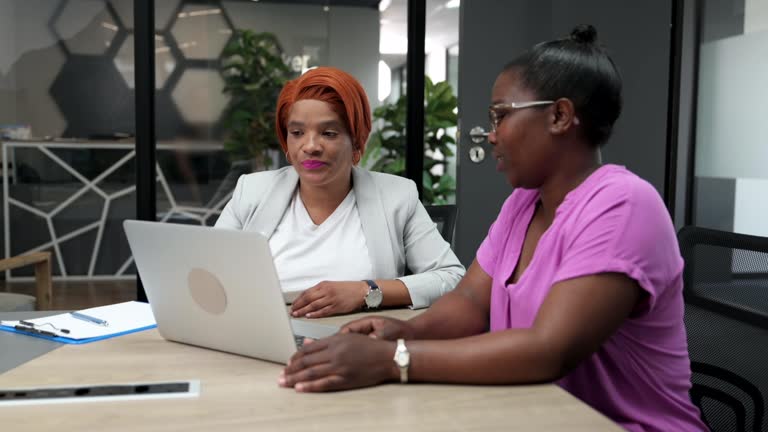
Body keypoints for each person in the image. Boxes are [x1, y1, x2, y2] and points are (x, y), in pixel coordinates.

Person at [279, 26, 708, 432]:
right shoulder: (524, 203)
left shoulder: (624, 206)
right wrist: (404, 330)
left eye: (501, 115)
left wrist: (393, 360)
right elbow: (469, 300)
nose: (489, 134)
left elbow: (548, 350)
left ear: (559, 116)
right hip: (534, 413)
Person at [215, 67, 465, 318]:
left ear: (356, 139)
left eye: (329, 133)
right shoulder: (251, 191)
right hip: (263, 337)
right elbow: (206, 272)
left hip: (356, 343)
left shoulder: (397, 196)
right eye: (297, 133)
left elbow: (452, 278)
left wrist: (365, 292)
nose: (310, 146)